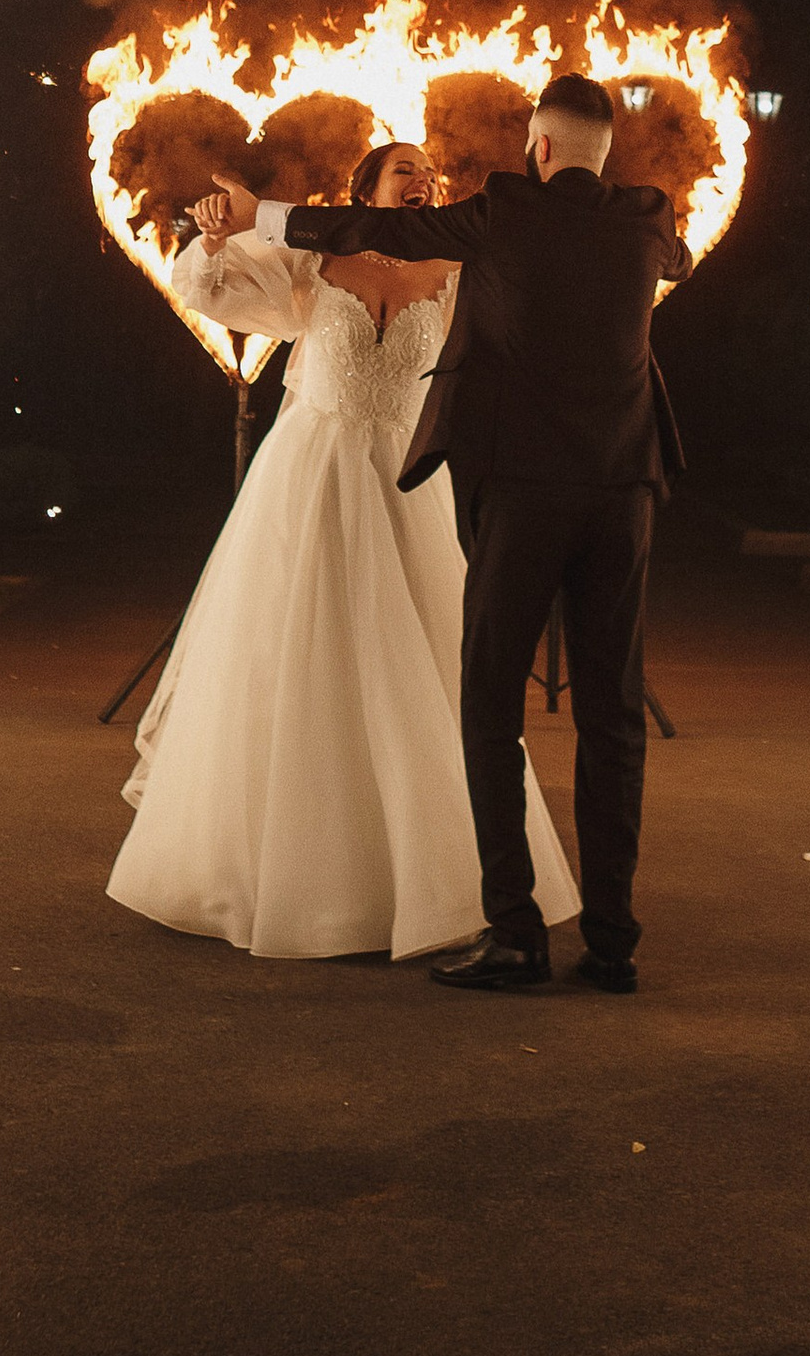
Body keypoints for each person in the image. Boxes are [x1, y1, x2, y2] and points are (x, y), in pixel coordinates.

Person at [208, 70, 688, 998]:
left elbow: (375, 230)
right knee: (612, 716)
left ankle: (514, 935)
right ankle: (614, 943)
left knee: (488, 709)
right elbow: (676, 262)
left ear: (538, 150)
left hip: (522, 494)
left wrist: (260, 215)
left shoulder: (506, 211)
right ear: (605, 153)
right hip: (625, 492)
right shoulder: (647, 217)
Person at [107, 140, 578, 962]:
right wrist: (217, 232)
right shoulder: (313, 263)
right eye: (405, 169)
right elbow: (211, 287)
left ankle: (423, 875)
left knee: (417, 669)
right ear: (363, 189)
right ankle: (285, 876)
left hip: (408, 483)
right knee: (299, 658)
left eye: (432, 173)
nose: (425, 180)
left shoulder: (455, 270)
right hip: (312, 475)